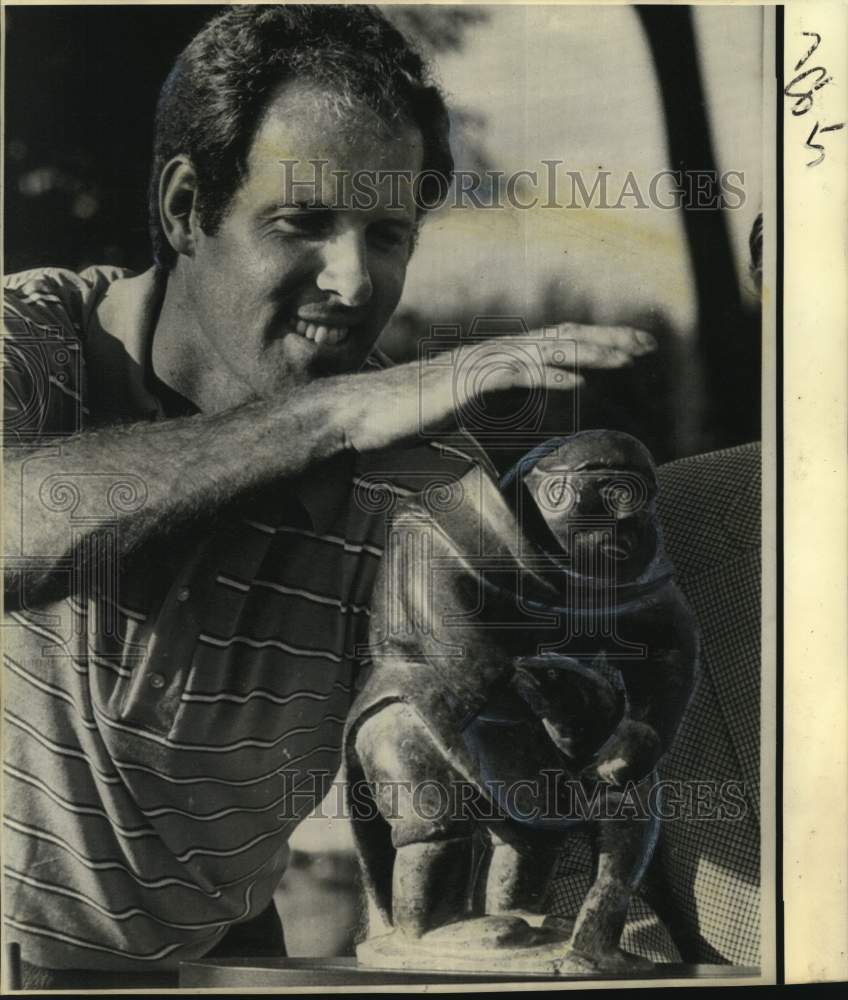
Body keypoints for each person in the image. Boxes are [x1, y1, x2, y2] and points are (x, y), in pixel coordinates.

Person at [2, 4, 654, 989]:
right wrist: (332, 416)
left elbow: (498, 746)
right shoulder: (32, 340)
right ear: (185, 206)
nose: (353, 282)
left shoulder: (418, 477)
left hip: (208, 947)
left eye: (387, 233)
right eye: (303, 221)